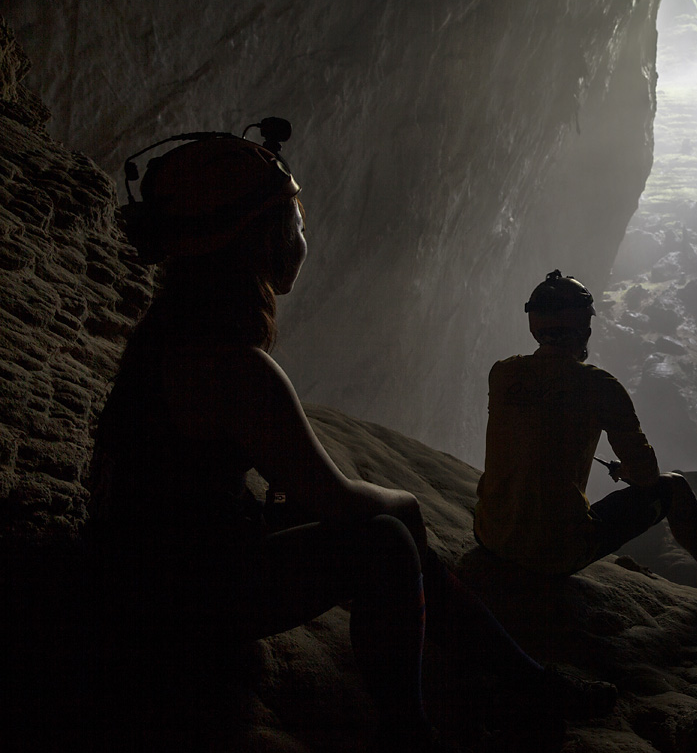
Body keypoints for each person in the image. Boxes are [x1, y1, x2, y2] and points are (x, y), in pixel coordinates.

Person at [88, 125, 613, 749]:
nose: (303, 239)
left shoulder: (172, 331)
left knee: (372, 529)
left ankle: (526, 682)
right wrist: (405, 502)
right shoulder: (231, 365)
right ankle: (413, 729)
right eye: (294, 224)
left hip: (153, 571)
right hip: (175, 604)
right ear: (260, 240)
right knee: (388, 540)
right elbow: (337, 499)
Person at [474, 270, 697, 616]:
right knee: (673, 488)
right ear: (584, 327)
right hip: (554, 553)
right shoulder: (601, 386)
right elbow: (647, 476)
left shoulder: (503, 373)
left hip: (490, 536)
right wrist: (628, 471)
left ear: (534, 325)